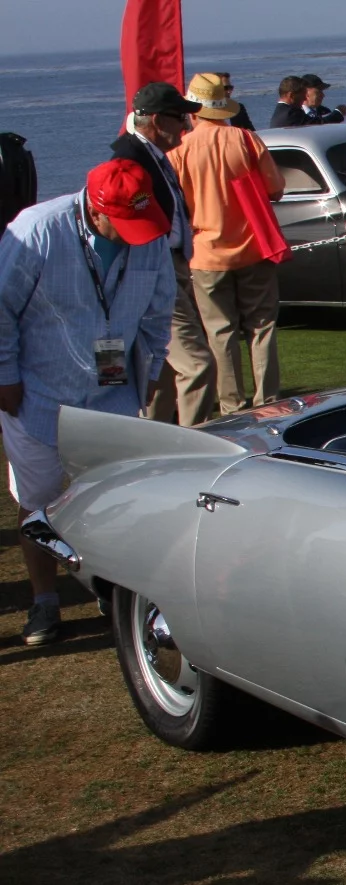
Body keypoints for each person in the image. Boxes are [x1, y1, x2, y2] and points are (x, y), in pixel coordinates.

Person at [0, 159, 175, 645]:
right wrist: (4, 376)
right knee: (38, 503)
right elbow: (0, 309)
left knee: (113, 497)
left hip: (113, 393)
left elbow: (159, 311)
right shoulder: (36, 231)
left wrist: (152, 369)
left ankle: (110, 588)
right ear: (94, 213)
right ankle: (44, 601)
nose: (134, 236)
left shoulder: (150, 235)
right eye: (123, 225)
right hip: (37, 392)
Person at [169, 73, 285, 413]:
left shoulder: (180, 150)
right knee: (261, 326)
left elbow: (177, 205)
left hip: (205, 251)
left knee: (220, 332)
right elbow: (275, 188)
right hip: (253, 245)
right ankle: (269, 402)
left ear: (192, 112)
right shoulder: (245, 140)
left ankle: (232, 406)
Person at [110, 81, 216, 428]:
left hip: (168, 266)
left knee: (165, 366)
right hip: (153, 269)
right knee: (197, 364)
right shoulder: (130, 160)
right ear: (156, 120)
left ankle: (159, 441)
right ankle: (195, 442)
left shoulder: (151, 156)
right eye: (179, 118)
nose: (186, 127)